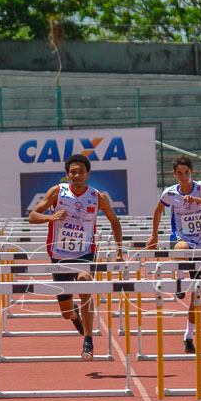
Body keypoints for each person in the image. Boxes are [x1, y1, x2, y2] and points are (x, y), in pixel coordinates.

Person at [28, 154, 124, 361]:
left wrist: (119, 252)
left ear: (88, 173)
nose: (77, 175)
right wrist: (49, 217)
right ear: (67, 174)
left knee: (85, 283)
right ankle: (74, 315)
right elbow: (32, 216)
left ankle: (88, 339)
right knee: (65, 312)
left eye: (81, 171)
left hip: (84, 253)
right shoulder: (57, 192)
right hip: (59, 255)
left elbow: (115, 222)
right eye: (73, 172)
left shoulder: (98, 197)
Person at [146, 155, 201, 354]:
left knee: (197, 296)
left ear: (192, 172)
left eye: (186, 173)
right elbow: (157, 211)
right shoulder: (170, 193)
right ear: (174, 174)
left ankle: (188, 336)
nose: (183, 177)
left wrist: (197, 200)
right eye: (179, 173)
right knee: (180, 249)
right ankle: (178, 278)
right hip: (180, 237)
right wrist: (154, 235)